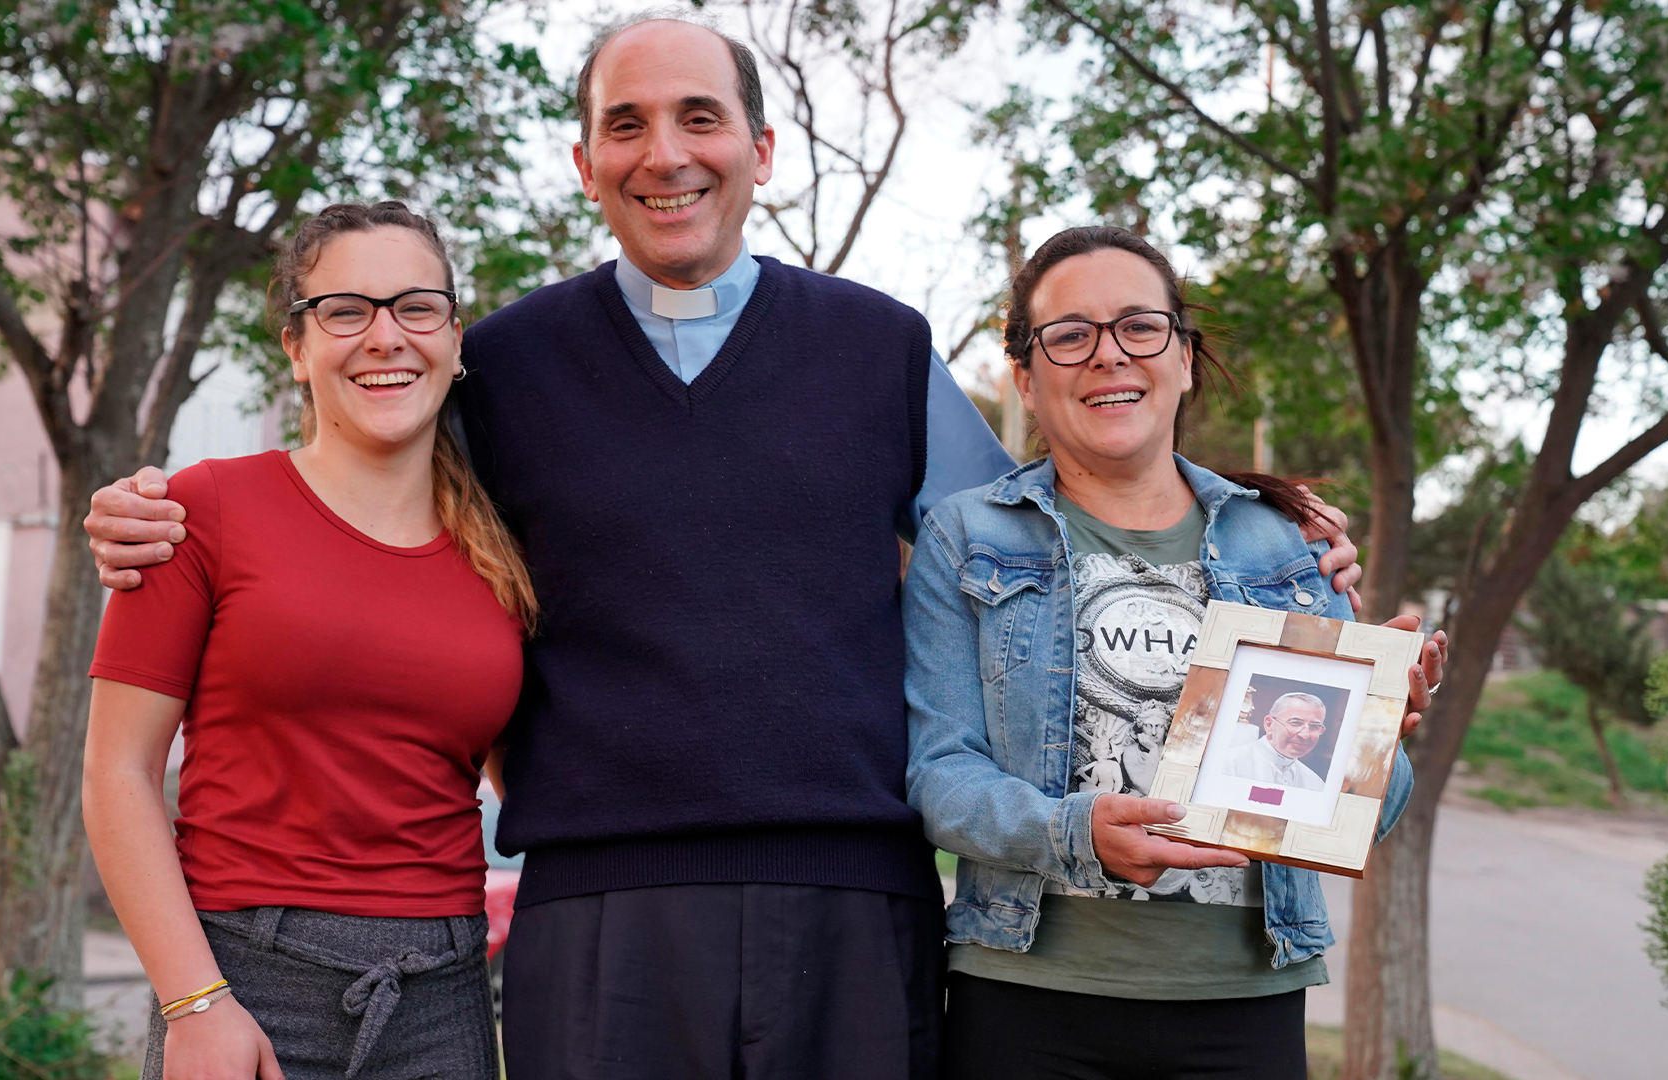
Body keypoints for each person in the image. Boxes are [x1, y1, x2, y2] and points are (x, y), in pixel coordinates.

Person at [83, 17, 1370, 1078]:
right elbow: (357, 500)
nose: (667, 153)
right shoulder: (506, 368)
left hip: (855, 911)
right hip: (596, 922)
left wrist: (1269, 534)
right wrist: (159, 509)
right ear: (584, 162)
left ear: (761, 147)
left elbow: (1046, 552)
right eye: (627, 125)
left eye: (700, 118)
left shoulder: (878, 348)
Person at [903, 225, 1447, 1079]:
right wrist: (1073, 830)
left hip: (1242, 1002)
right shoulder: (966, 535)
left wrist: (1382, 737)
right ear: (1026, 377)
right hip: (1027, 997)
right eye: (1070, 335)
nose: (1109, 355)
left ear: (1183, 356)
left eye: (1139, 327)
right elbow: (941, 774)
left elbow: (1368, 815)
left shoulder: (1289, 543)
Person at [83, 202, 532, 1080]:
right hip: (246, 979)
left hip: (443, 989)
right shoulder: (200, 510)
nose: (385, 336)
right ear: (296, 346)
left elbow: (522, 776)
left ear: (454, 334)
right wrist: (195, 1003)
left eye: (415, 306)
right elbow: (116, 773)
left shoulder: (507, 552)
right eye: (345, 310)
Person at [1221, 692, 1330, 790]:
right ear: (1269, 724)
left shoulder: (1316, 785)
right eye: (1295, 723)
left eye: (1315, 726)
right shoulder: (1228, 764)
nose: (1305, 735)